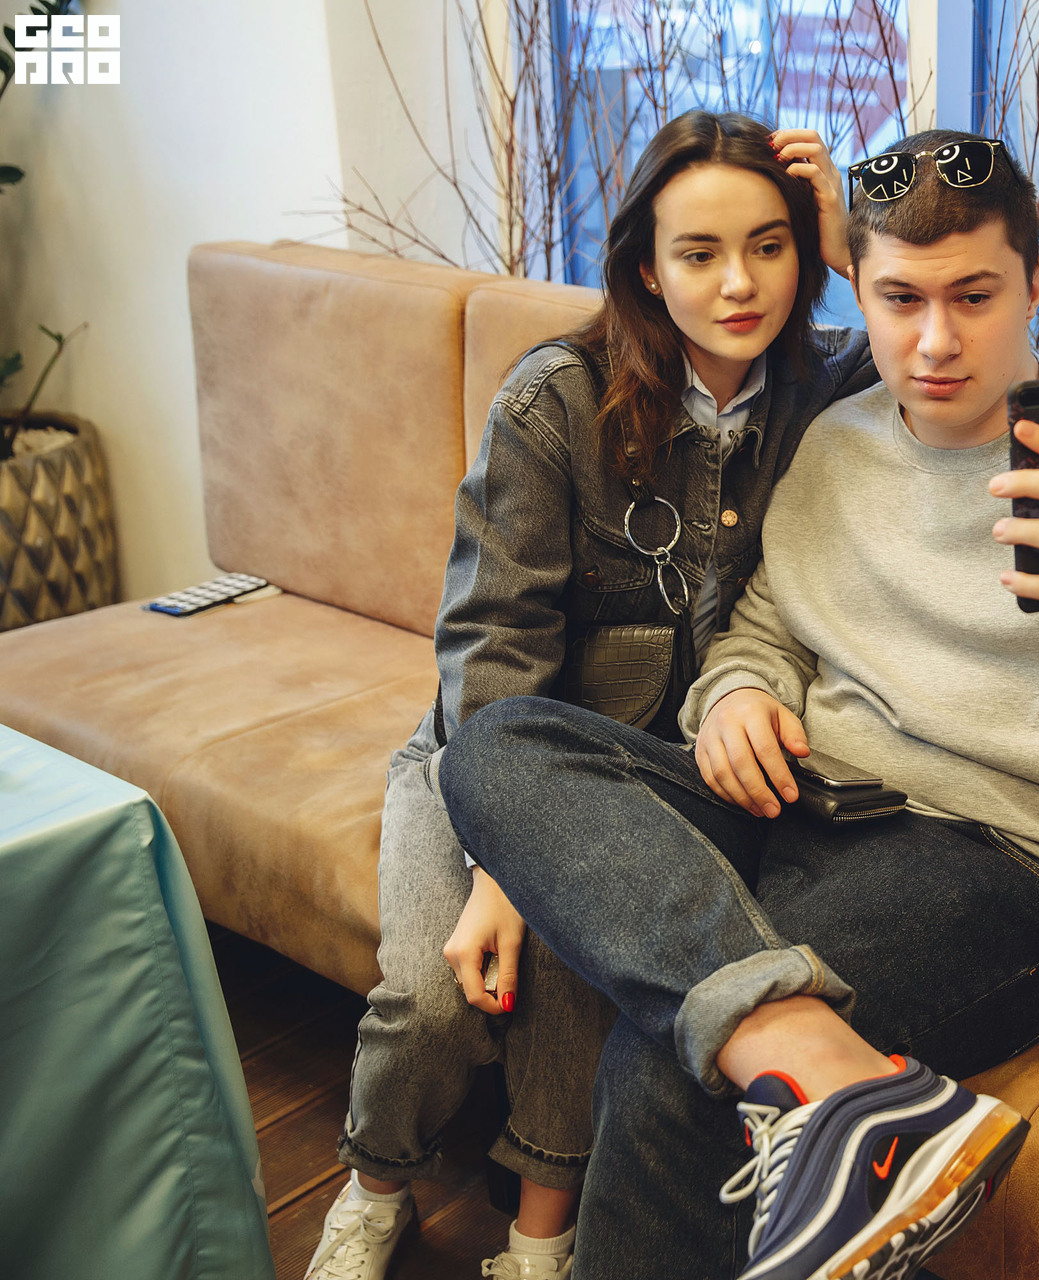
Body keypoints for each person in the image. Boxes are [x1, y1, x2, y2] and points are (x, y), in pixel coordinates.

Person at [435, 128, 1039, 1280]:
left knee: (671, 1061)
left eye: (975, 296)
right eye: (901, 299)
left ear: (1036, 281)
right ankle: (819, 1060)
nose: (936, 340)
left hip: (1015, 856)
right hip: (805, 802)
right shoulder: (836, 441)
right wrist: (738, 694)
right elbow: (766, 626)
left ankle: (797, 1060)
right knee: (499, 746)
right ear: (857, 288)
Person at [304, 111, 873, 1280]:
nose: (739, 283)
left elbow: (954, 352)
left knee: (588, 978)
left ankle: (539, 1243)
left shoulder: (827, 389)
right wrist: (501, 867)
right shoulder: (556, 399)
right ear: (646, 267)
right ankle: (373, 1189)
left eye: (771, 247)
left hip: (651, 780)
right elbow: (492, 640)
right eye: (700, 252)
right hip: (491, 755)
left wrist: (855, 247)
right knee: (435, 995)